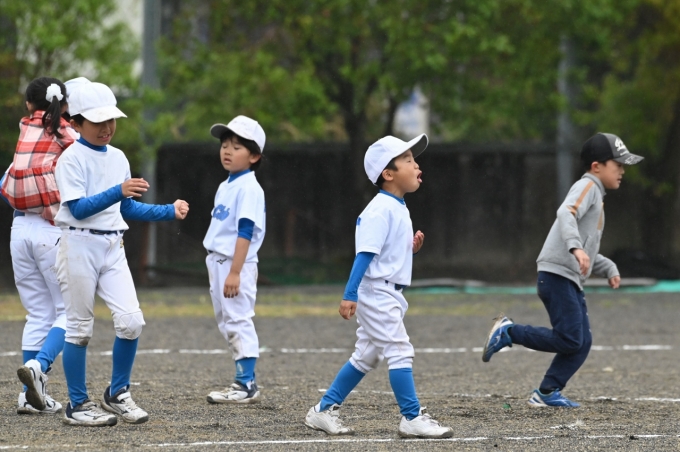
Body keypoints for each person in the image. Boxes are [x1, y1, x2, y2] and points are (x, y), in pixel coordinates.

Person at [54, 82, 190, 426]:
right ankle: (77, 405)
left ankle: (117, 393)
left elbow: (126, 208)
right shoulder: (70, 158)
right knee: (79, 330)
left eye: (111, 119)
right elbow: (79, 209)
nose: (107, 127)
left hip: (113, 246)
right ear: (75, 122)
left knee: (131, 322)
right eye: (97, 121)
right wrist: (118, 190)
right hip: (78, 246)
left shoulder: (118, 157)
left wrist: (168, 211)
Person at [304, 135, 453, 438]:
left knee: (367, 356)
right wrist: (349, 294)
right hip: (376, 292)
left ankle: (323, 410)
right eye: (408, 160)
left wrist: (409, 249)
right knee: (400, 350)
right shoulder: (380, 209)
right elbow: (364, 255)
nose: (417, 165)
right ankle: (411, 417)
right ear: (388, 173)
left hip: (386, 291)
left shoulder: (396, 206)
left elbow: (384, 254)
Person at [481, 133, 644, 407]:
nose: (622, 170)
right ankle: (509, 332)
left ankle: (547, 392)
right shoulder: (587, 186)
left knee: (582, 341)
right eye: (618, 164)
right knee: (570, 339)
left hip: (568, 278)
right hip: (557, 275)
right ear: (596, 166)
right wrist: (575, 247)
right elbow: (566, 212)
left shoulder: (597, 198)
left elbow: (587, 252)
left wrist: (608, 267)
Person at [0, 77, 77, 415]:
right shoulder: (70, 137)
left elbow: (5, 183)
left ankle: (27, 397)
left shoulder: (24, 131)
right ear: (65, 105)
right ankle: (38, 367)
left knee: (38, 314)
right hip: (51, 230)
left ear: (29, 105)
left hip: (20, 230)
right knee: (69, 312)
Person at [203, 115, 266, 404]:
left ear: (254, 156)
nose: (227, 151)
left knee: (238, 319)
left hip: (234, 263)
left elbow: (245, 232)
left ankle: (245, 384)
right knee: (227, 321)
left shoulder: (249, 187)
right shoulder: (226, 184)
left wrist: (235, 272)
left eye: (237, 147)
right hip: (219, 261)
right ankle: (243, 381)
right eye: (225, 145)